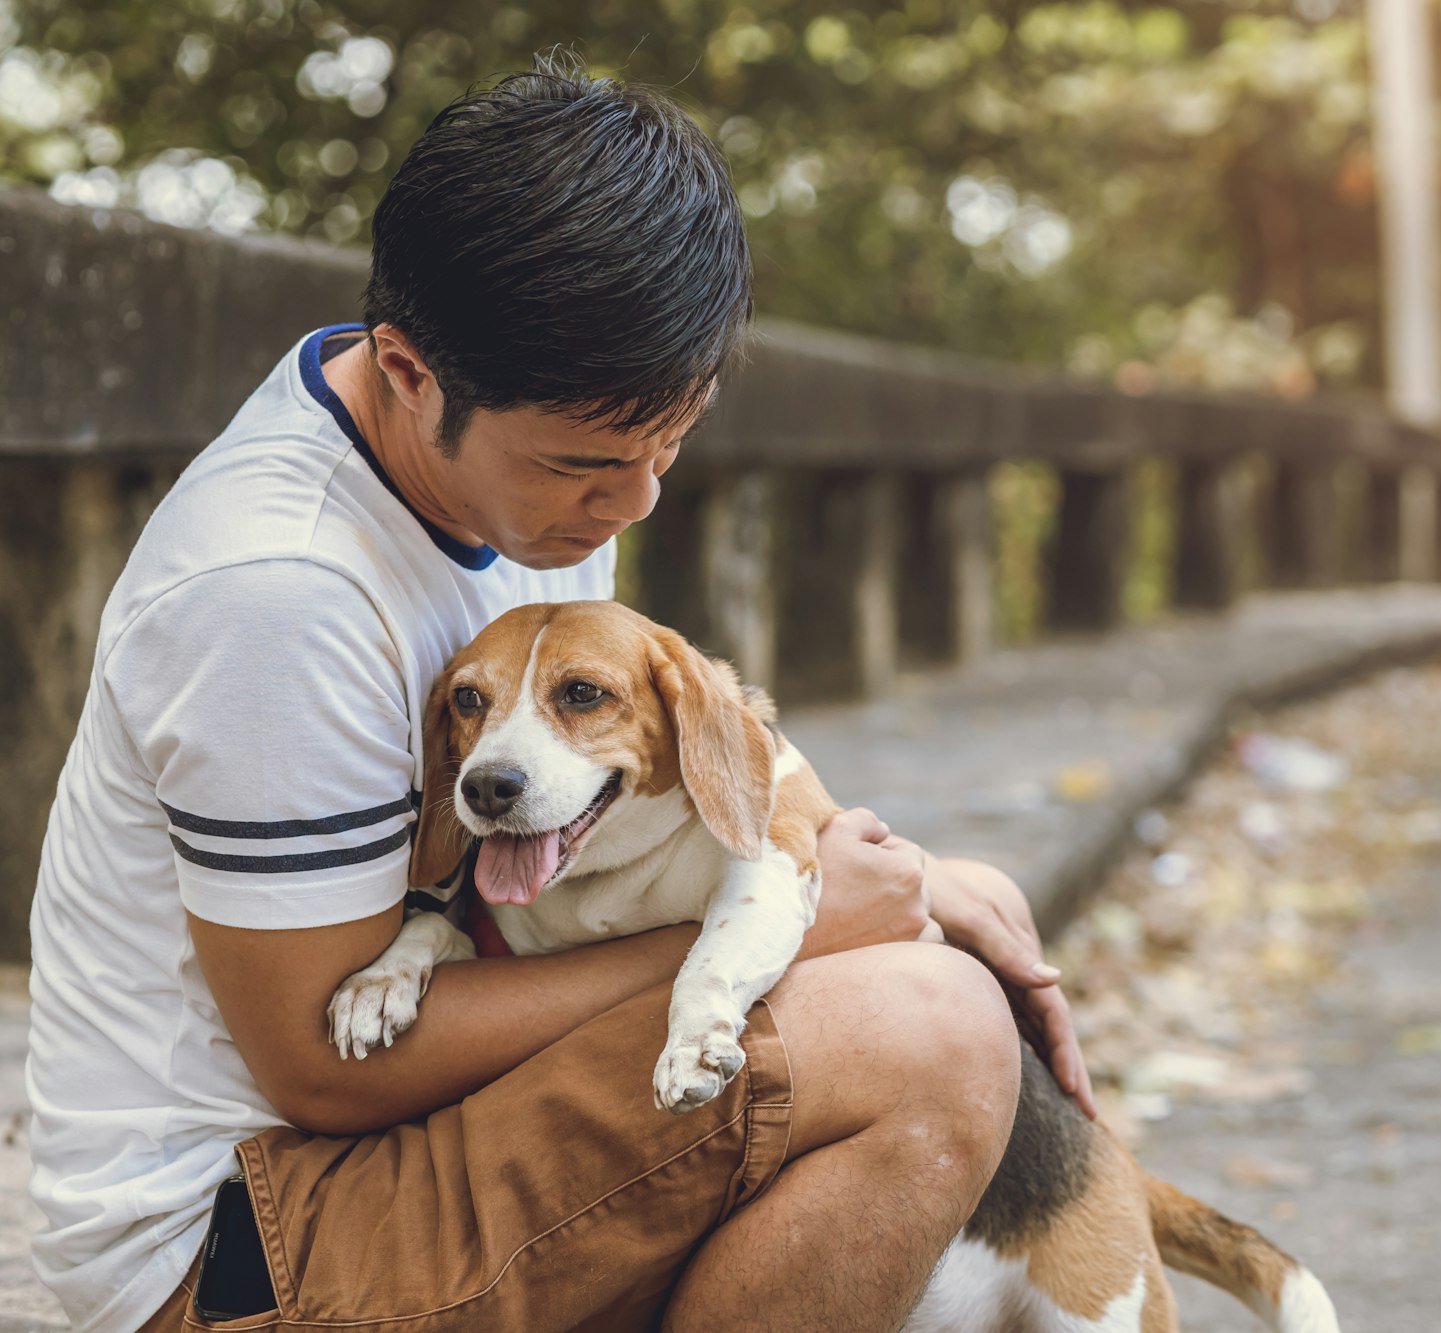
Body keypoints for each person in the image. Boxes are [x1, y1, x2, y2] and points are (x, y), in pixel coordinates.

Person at [27, 55, 1095, 1333]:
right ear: (411, 373)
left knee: (947, 925)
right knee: (928, 1036)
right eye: (587, 465)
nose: (631, 504)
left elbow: (658, 763)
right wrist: (793, 934)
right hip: (236, 1246)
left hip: (412, 1129)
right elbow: (321, 1063)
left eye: (669, 444)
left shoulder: (521, 483)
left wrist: (872, 879)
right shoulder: (280, 591)